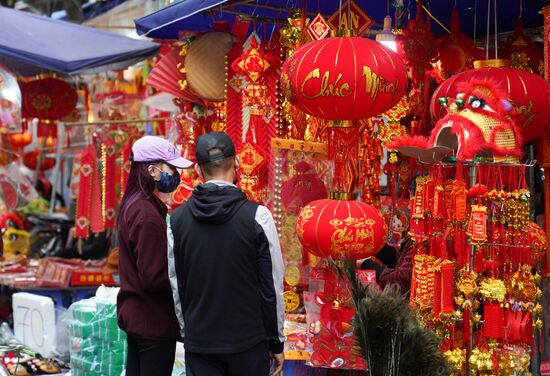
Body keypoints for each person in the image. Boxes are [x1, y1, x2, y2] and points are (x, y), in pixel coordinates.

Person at [168, 132, 285, 376]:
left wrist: (188, 332)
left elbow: (176, 286)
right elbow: (271, 286)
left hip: (201, 342)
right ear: (238, 163)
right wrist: (276, 342)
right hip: (248, 343)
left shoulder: (176, 221)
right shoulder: (258, 217)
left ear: (199, 171)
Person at [116, 136, 193, 376]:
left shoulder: (136, 204)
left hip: (140, 318)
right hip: (152, 322)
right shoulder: (146, 213)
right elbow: (154, 277)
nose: (176, 175)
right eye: (172, 168)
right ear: (152, 170)